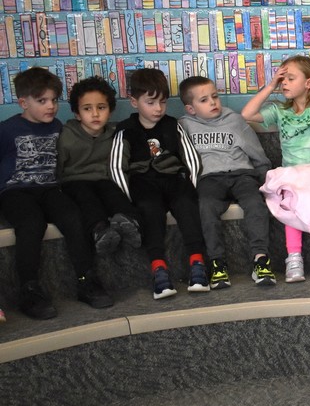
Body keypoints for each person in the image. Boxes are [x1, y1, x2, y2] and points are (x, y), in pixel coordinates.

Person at [0, 67, 112, 319]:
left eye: (53, 100)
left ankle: (86, 280)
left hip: (50, 189)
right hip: (15, 191)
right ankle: (29, 289)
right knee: (31, 223)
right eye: (42, 101)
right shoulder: (7, 129)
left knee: (73, 216)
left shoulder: (58, 127)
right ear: (23, 103)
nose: (50, 106)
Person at [242, 55, 310, 283]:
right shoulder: (280, 111)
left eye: (290, 78)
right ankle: (294, 257)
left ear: (309, 83)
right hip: (292, 174)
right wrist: (270, 86)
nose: (284, 83)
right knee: (290, 204)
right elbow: (247, 114)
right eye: (283, 79)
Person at [110, 67, 210, 300]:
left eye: (162, 103)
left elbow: (191, 158)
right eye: (151, 102)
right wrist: (130, 199)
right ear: (134, 102)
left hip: (173, 179)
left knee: (187, 205)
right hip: (143, 183)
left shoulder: (172, 124)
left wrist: (192, 186)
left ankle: (197, 263)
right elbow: (116, 167)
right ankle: (159, 268)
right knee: (150, 211)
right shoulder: (125, 129)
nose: (158, 109)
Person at [179, 75, 276, 288]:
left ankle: (260, 259)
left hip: (242, 174)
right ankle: (217, 263)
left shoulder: (234, 120)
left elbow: (256, 152)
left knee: (254, 204)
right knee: (205, 207)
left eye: (214, 96)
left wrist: (265, 179)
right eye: (204, 100)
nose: (213, 102)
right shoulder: (184, 126)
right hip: (209, 178)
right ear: (191, 109)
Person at [57, 76, 143, 257]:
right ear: (77, 113)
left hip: (103, 180)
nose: (95, 114)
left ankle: (128, 222)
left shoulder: (115, 135)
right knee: (87, 199)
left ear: (110, 111)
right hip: (74, 182)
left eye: (101, 108)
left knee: (113, 193)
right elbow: (57, 168)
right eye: (87, 109)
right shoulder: (66, 135)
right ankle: (100, 231)